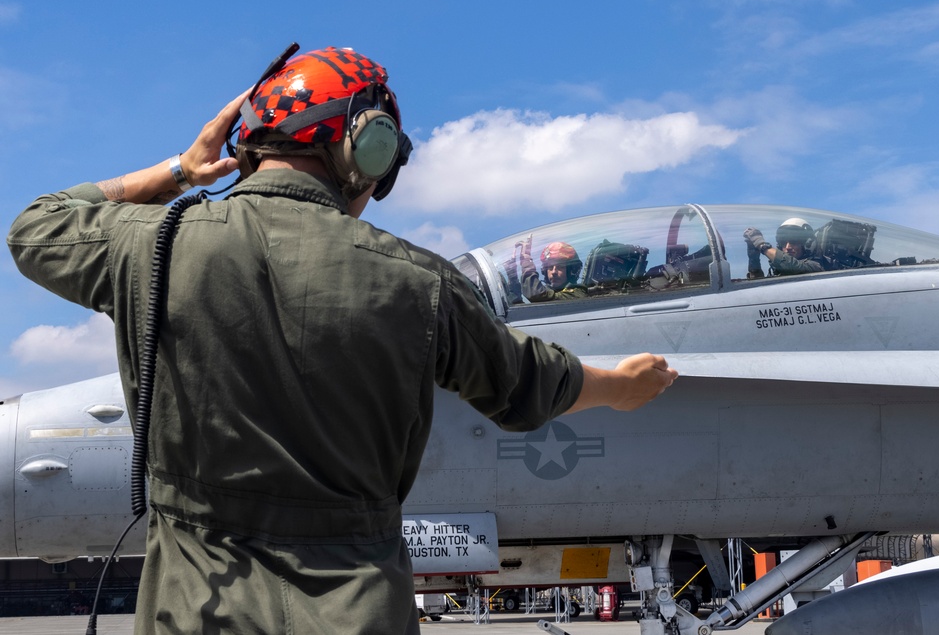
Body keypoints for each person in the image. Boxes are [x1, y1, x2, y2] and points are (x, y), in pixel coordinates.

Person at [7, 46, 678, 635]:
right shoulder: (419, 282)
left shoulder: (154, 246)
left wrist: (181, 171)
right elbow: (528, 384)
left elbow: (36, 226)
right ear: (366, 151)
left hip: (195, 604)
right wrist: (624, 387)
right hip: (355, 604)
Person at [744, 217, 830, 277]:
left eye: (794, 241)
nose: (788, 247)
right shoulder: (780, 272)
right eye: (783, 242)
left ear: (808, 244)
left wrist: (761, 245)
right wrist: (753, 258)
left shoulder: (816, 266)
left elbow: (792, 266)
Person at [516, 235, 588, 302]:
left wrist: (526, 262)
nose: (553, 272)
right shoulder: (553, 293)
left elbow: (536, 295)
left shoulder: (577, 294)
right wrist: (512, 278)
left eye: (560, 267)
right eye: (550, 267)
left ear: (571, 271)